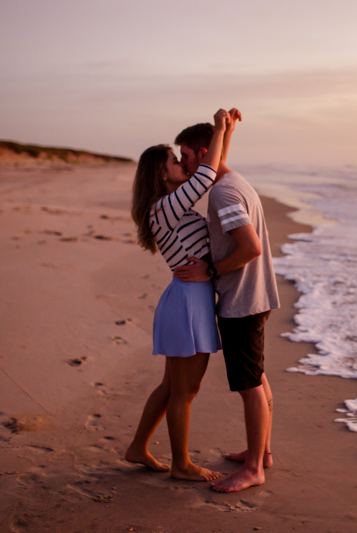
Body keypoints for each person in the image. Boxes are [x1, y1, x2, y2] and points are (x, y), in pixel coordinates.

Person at [124, 108, 234, 482]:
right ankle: (182, 465)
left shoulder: (171, 206)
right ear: (161, 172)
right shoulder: (165, 208)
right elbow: (205, 175)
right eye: (174, 160)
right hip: (188, 301)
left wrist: (226, 133)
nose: (179, 163)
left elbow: (211, 167)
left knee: (172, 387)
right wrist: (218, 128)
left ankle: (138, 448)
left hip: (189, 298)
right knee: (185, 391)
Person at [174, 118, 280, 493]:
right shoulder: (234, 180)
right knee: (258, 375)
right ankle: (261, 451)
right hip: (258, 295)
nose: (182, 162)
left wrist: (210, 269)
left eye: (185, 155)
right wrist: (227, 129)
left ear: (203, 154)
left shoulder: (222, 194)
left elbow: (249, 248)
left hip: (241, 301)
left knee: (250, 385)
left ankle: (254, 468)